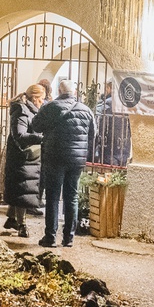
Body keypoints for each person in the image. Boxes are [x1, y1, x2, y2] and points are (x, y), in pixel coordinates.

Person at [30, 79, 94, 248]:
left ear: (59, 91)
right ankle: (68, 238)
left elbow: (35, 125)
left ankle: (50, 237)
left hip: (55, 157)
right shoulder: (86, 110)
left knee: (52, 197)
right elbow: (92, 135)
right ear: (74, 92)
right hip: (76, 160)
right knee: (72, 197)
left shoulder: (51, 107)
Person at [1, 83, 47, 237]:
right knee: (23, 189)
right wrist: (40, 138)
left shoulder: (28, 110)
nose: (42, 102)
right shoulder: (21, 111)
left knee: (21, 189)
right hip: (21, 157)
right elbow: (19, 135)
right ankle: (22, 225)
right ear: (34, 98)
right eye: (41, 99)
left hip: (25, 157)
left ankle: (12, 218)